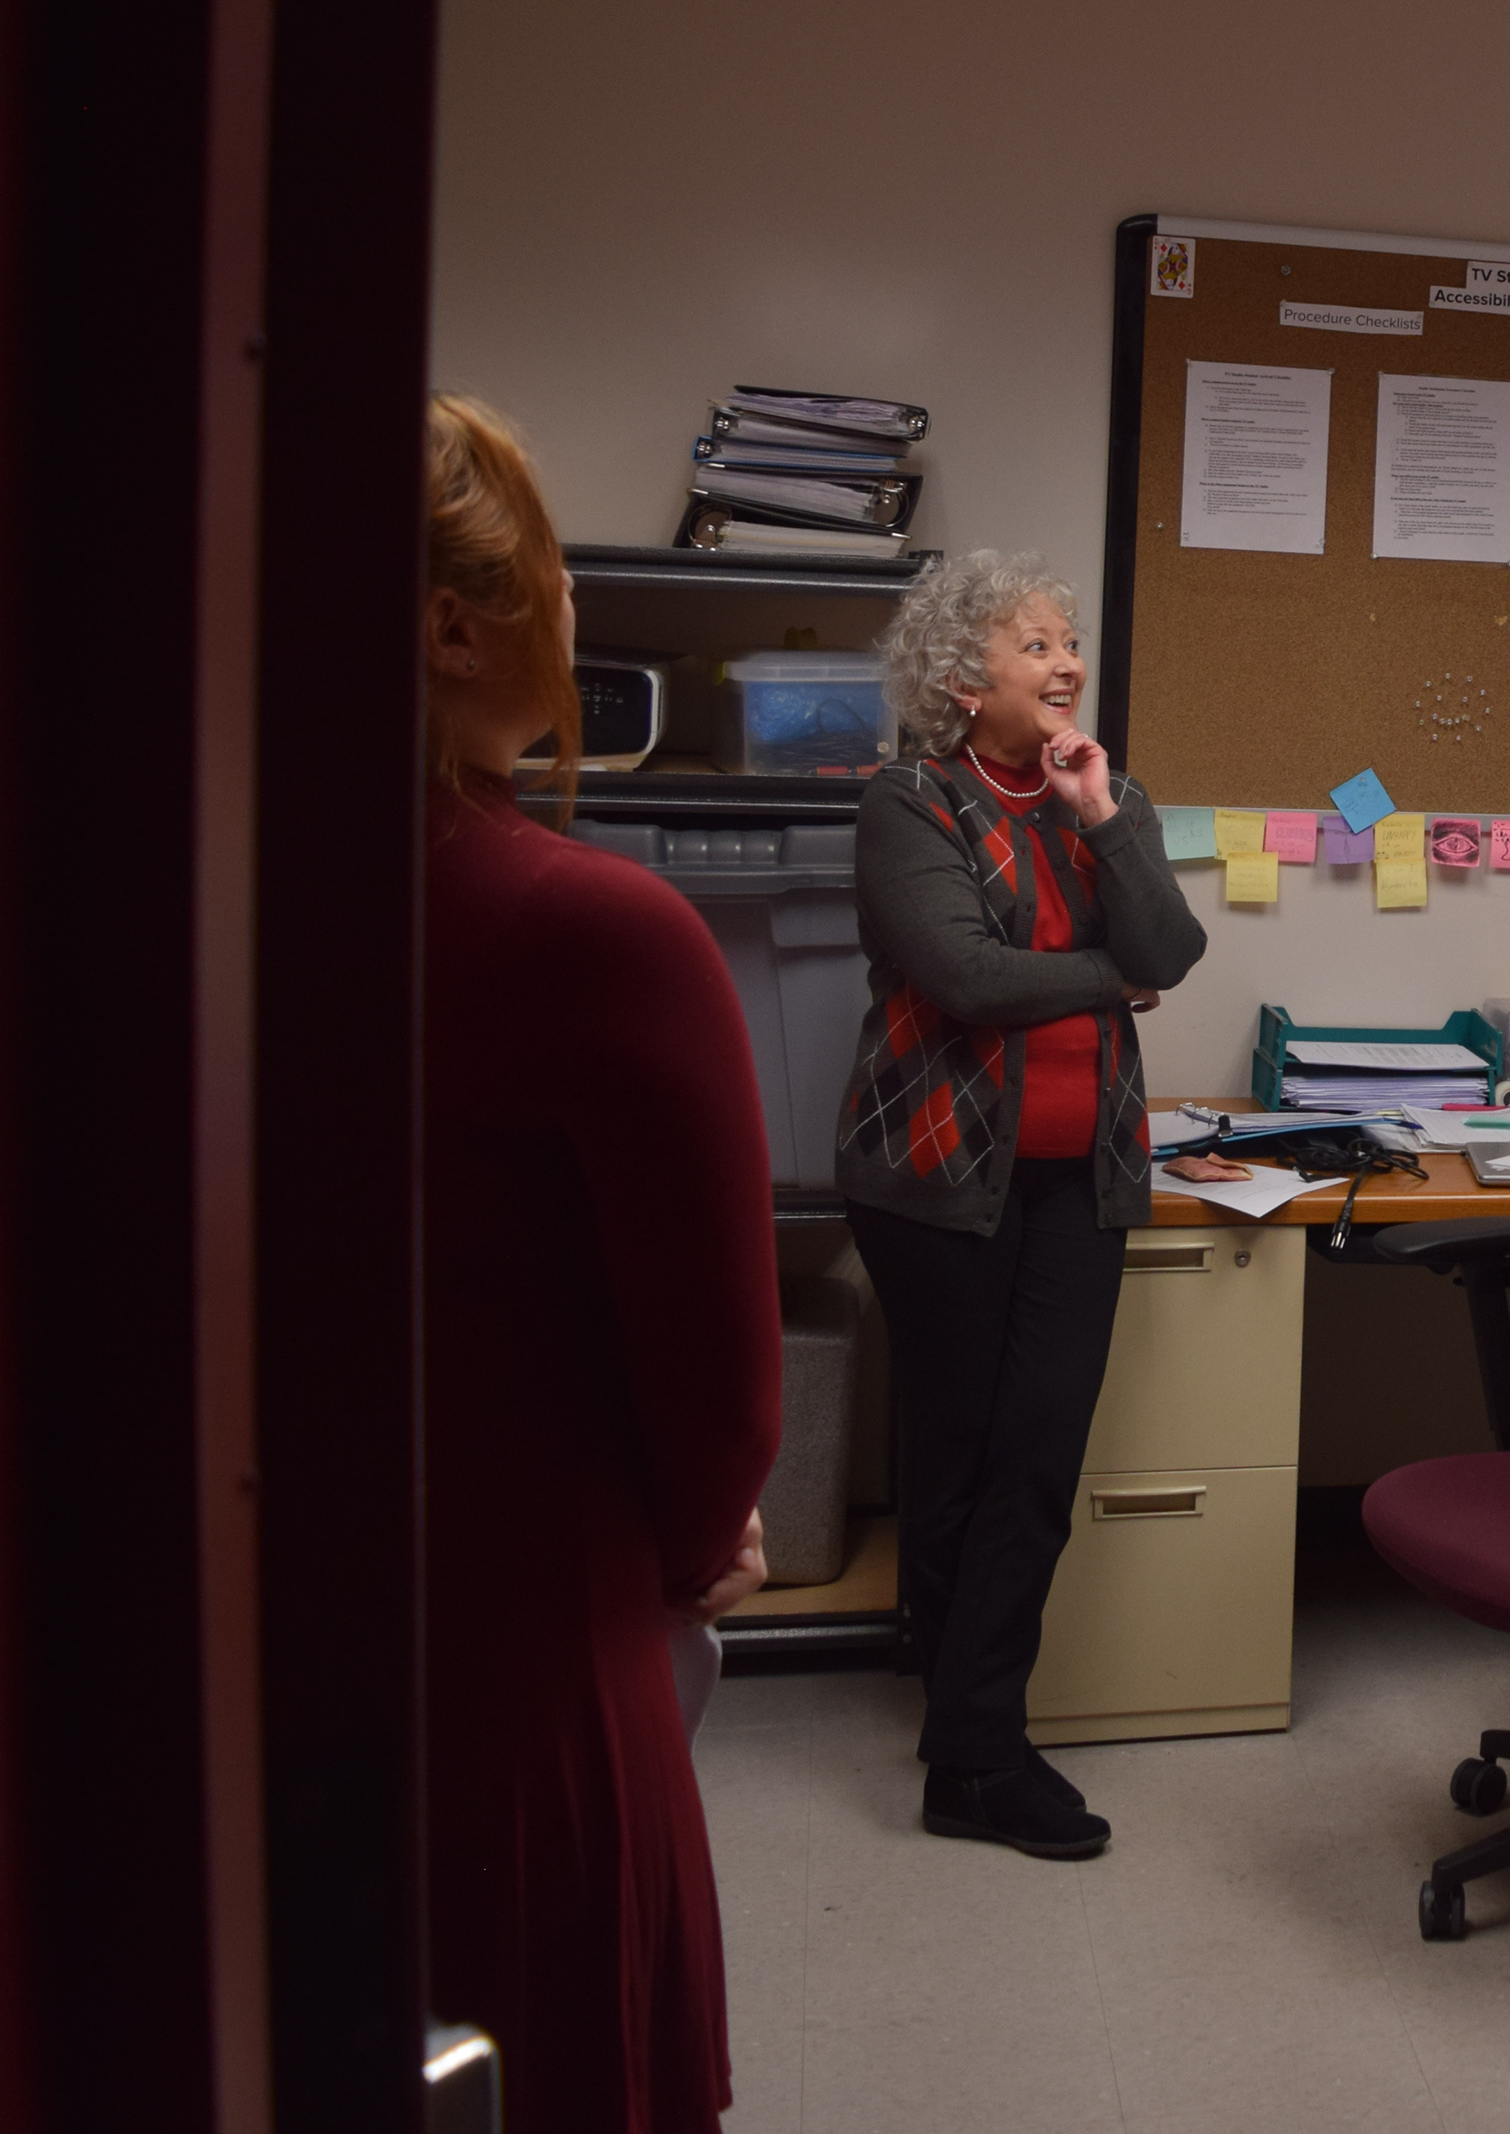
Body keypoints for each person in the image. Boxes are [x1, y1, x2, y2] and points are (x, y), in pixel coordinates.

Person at [419, 395, 780, 2133]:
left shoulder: (191, 888)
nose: (573, 601)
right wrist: (707, 1547)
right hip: (526, 1678)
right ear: (452, 624)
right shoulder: (586, 926)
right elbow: (721, 1396)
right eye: (552, 566)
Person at [838, 551, 1206, 1858]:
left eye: (1068, 642)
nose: (1067, 665)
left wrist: (1101, 817)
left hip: (1082, 1179)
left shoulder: (1108, 795)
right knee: (957, 1455)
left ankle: (970, 1738)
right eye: (1035, 645)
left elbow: (1173, 950)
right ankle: (974, 1738)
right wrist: (1111, 980)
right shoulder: (908, 801)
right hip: (935, 1181)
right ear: (962, 679)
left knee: (1038, 1454)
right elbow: (968, 977)